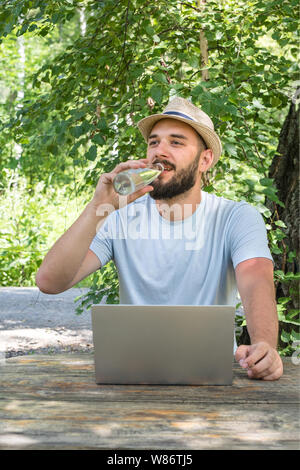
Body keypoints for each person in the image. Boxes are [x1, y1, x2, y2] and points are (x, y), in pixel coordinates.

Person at [36, 97, 283, 381]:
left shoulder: (235, 217)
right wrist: (97, 209)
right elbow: (49, 282)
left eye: (176, 143)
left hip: (212, 378)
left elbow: (256, 280)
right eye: (154, 142)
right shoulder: (118, 216)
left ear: (205, 160)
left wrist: (265, 345)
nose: (159, 152)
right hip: (131, 374)